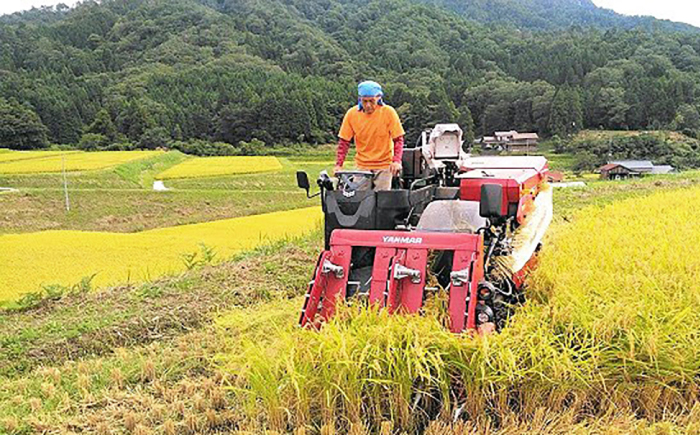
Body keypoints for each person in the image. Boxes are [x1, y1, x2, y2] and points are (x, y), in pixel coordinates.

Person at [334, 80, 405, 191]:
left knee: (382, 200)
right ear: (360, 99)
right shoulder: (352, 114)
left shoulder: (388, 112)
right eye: (364, 101)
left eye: (372, 101)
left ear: (379, 98)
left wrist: (396, 161)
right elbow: (344, 142)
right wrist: (339, 165)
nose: (368, 105)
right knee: (360, 198)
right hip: (362, 165)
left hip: (384, 165)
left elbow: (398, 139)